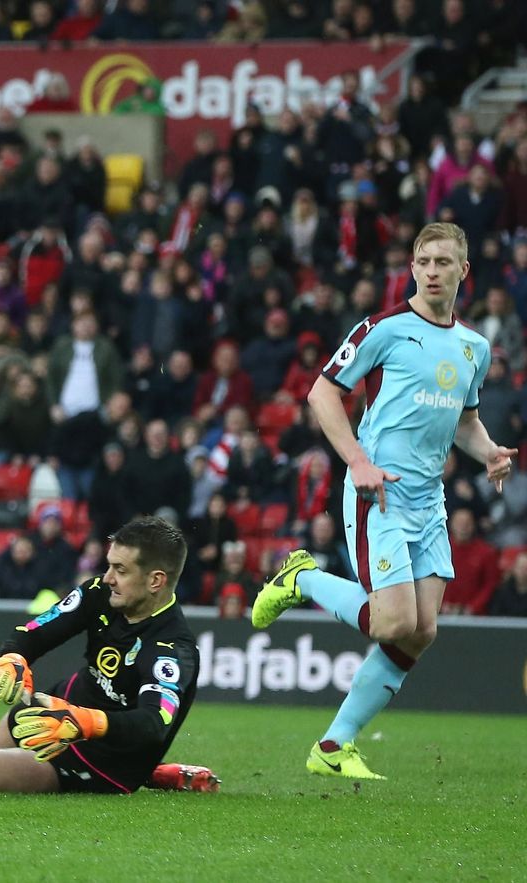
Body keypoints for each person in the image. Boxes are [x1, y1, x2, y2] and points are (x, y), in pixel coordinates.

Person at [253, 223, 517, 779]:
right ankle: (300, 580)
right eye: (424, 261)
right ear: (412, 267)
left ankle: (333, 747)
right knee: (392, 623)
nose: (432, 271)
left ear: (464, 271)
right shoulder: (384, 328)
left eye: (444, 262)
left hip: (429, 501)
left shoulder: (476, 347)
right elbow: (322, 392)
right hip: (378, 493)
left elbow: (464, 421)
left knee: (422, 632)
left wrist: (489, 451)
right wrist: (358, 462)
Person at [0, 517, 218, 794]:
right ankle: (156, 774)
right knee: (13, 720)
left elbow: (153, 723)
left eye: (120, 569)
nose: (108, 577)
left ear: (155, 581)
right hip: (63, 709)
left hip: (105, 760)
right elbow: (37, 631)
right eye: (109, 565)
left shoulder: (172, 650)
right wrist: (14, 657)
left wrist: (84, 722)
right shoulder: (99, 593)